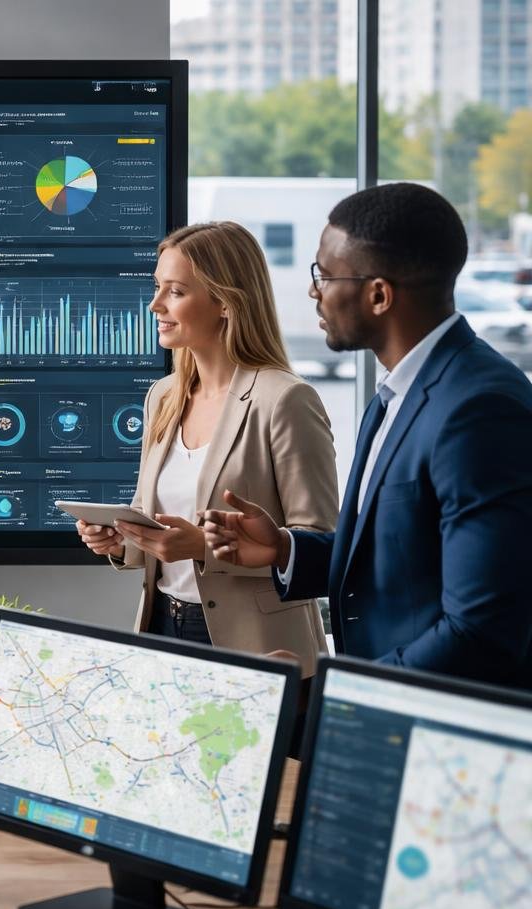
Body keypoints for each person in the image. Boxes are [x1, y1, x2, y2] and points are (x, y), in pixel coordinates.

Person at [203, 183, 532, 686]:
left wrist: (329, 692)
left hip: (440, 729)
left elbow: (480, 630)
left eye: (326, 274)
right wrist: (287, 550)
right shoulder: (396, 393)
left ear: (378, 294)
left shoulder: (479, 409)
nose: (315, 290)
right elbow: (403, 554)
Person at [74, 222, 338, 677]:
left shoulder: (285, 400)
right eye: (158, 288)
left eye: (175, 291)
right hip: (161, 627)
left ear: (225, 301)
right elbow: (153, 520)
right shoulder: (164, 396)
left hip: (260, 645)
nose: (155, 305)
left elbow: (320, 545)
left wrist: (203, 546)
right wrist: (121, 541)